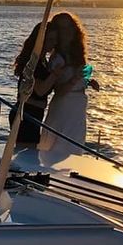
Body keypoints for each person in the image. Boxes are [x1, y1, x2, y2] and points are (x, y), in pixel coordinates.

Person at [38, 12, 98, 162]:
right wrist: (76, 78)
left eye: (69, 27)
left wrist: (87, 82)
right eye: (62, 29)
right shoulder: (57, 58)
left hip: (78, 106)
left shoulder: (76, 53)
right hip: (64, 107)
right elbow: (58, 91)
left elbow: (75, 80)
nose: (67, 32)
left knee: (74, 147)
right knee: (59, 148)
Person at [9, 22, 59, 145]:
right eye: (50, 39)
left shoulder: (43, 61)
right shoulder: (31, 62)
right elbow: (40, 90)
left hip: (35, 114)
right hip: (25, 115)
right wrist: (56, 74)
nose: (54, 43)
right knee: (26, 151)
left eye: (55, 39)